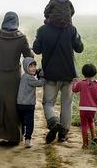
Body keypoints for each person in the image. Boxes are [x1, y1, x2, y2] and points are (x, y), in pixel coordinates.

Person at [0, 11, 34, 144]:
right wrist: (32, 71)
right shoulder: (21, 38)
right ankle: (14, 136)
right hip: (14, 77)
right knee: (13, 105)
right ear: (16, 22)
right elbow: (29, 56)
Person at [32, 12, 84, 144]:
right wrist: (75, 34)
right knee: (67, 104)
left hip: (50, 74)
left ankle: (53, 122)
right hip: (69, 74)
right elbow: (79, 48)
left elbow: (36, 50)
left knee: (48, 103)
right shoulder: (71, 29)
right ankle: (63, 134)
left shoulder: (43, 30)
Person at [72, 64, 97, 148]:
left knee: (84, 125)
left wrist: (74, 82)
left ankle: (85, 143)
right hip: (93, 109)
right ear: (95, 73)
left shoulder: (81, 83)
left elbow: (74, 90)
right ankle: (94, 136)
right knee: (91, 121)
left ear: (83, 73)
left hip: (83, 108)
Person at [17, 57, 46, 148]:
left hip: (20, 104)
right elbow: (40, 83)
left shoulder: (23, 76)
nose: (33, 68)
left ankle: (21, 134)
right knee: (30, 123)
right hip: (28, 105)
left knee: (21, 121)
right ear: (26, 67)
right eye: (30, 66)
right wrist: (42, 76)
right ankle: (28, 139)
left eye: (34, 66)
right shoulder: (29, 78)